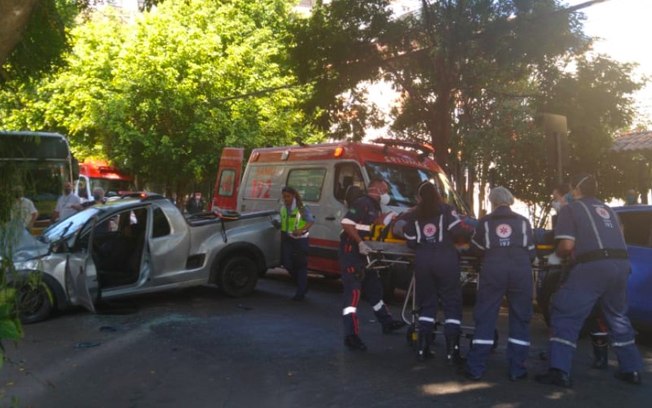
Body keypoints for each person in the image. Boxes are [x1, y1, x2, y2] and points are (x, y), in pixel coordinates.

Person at [536, 173, 644, 388]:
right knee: (617, 317)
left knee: (565, 314)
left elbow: (566, 246)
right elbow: (619, 239)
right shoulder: (611, 211)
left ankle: (559, 371)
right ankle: (632, 370)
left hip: (592, 267)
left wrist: (554, 259)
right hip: (621, 266)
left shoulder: (571, 209)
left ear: (576, 190)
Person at [463, 187, 535, 381]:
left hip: (493, 270)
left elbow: (476, 249)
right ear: (510, 201)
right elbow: (532, 251)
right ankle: (517, 370)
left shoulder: (485, 222)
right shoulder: (523, 222)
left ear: (492, 202)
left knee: (486, 316)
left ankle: (476, 367)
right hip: (520, 271)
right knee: (520, 318)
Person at [402, 181, 472, 364]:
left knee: (427, 304)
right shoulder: (447, 210)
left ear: (420, 197)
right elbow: (459, 231)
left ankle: (423, 349)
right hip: (446, 260)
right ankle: (452, 352)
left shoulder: (413, 214)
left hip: (423, 261)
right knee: (451, 302)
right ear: (437, 194)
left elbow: (409, 240)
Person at [339, 178, 405, 351]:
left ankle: (386, 322)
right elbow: (347, 223)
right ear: (376, 189)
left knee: (375, 289)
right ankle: (351, 335)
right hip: (352, 254)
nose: (386, 194)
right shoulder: (362, 203)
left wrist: (384, 220)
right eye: (385, 190)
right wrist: (360, 242)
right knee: (353, 294)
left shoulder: (375, 207)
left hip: (365, 255)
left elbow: (369, 227)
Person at [280, 186, 315, 301]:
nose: (286, 199)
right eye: (284, 197)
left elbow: (310, 221)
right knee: (287, 263)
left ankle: (301, 292)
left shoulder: (301, 208)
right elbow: (284, 222)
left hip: (300, 240)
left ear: (293, 196)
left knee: (300, 265)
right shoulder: (283, 208)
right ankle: (303, 285)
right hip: (287, 239)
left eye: (288, 196)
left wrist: (301, 230)